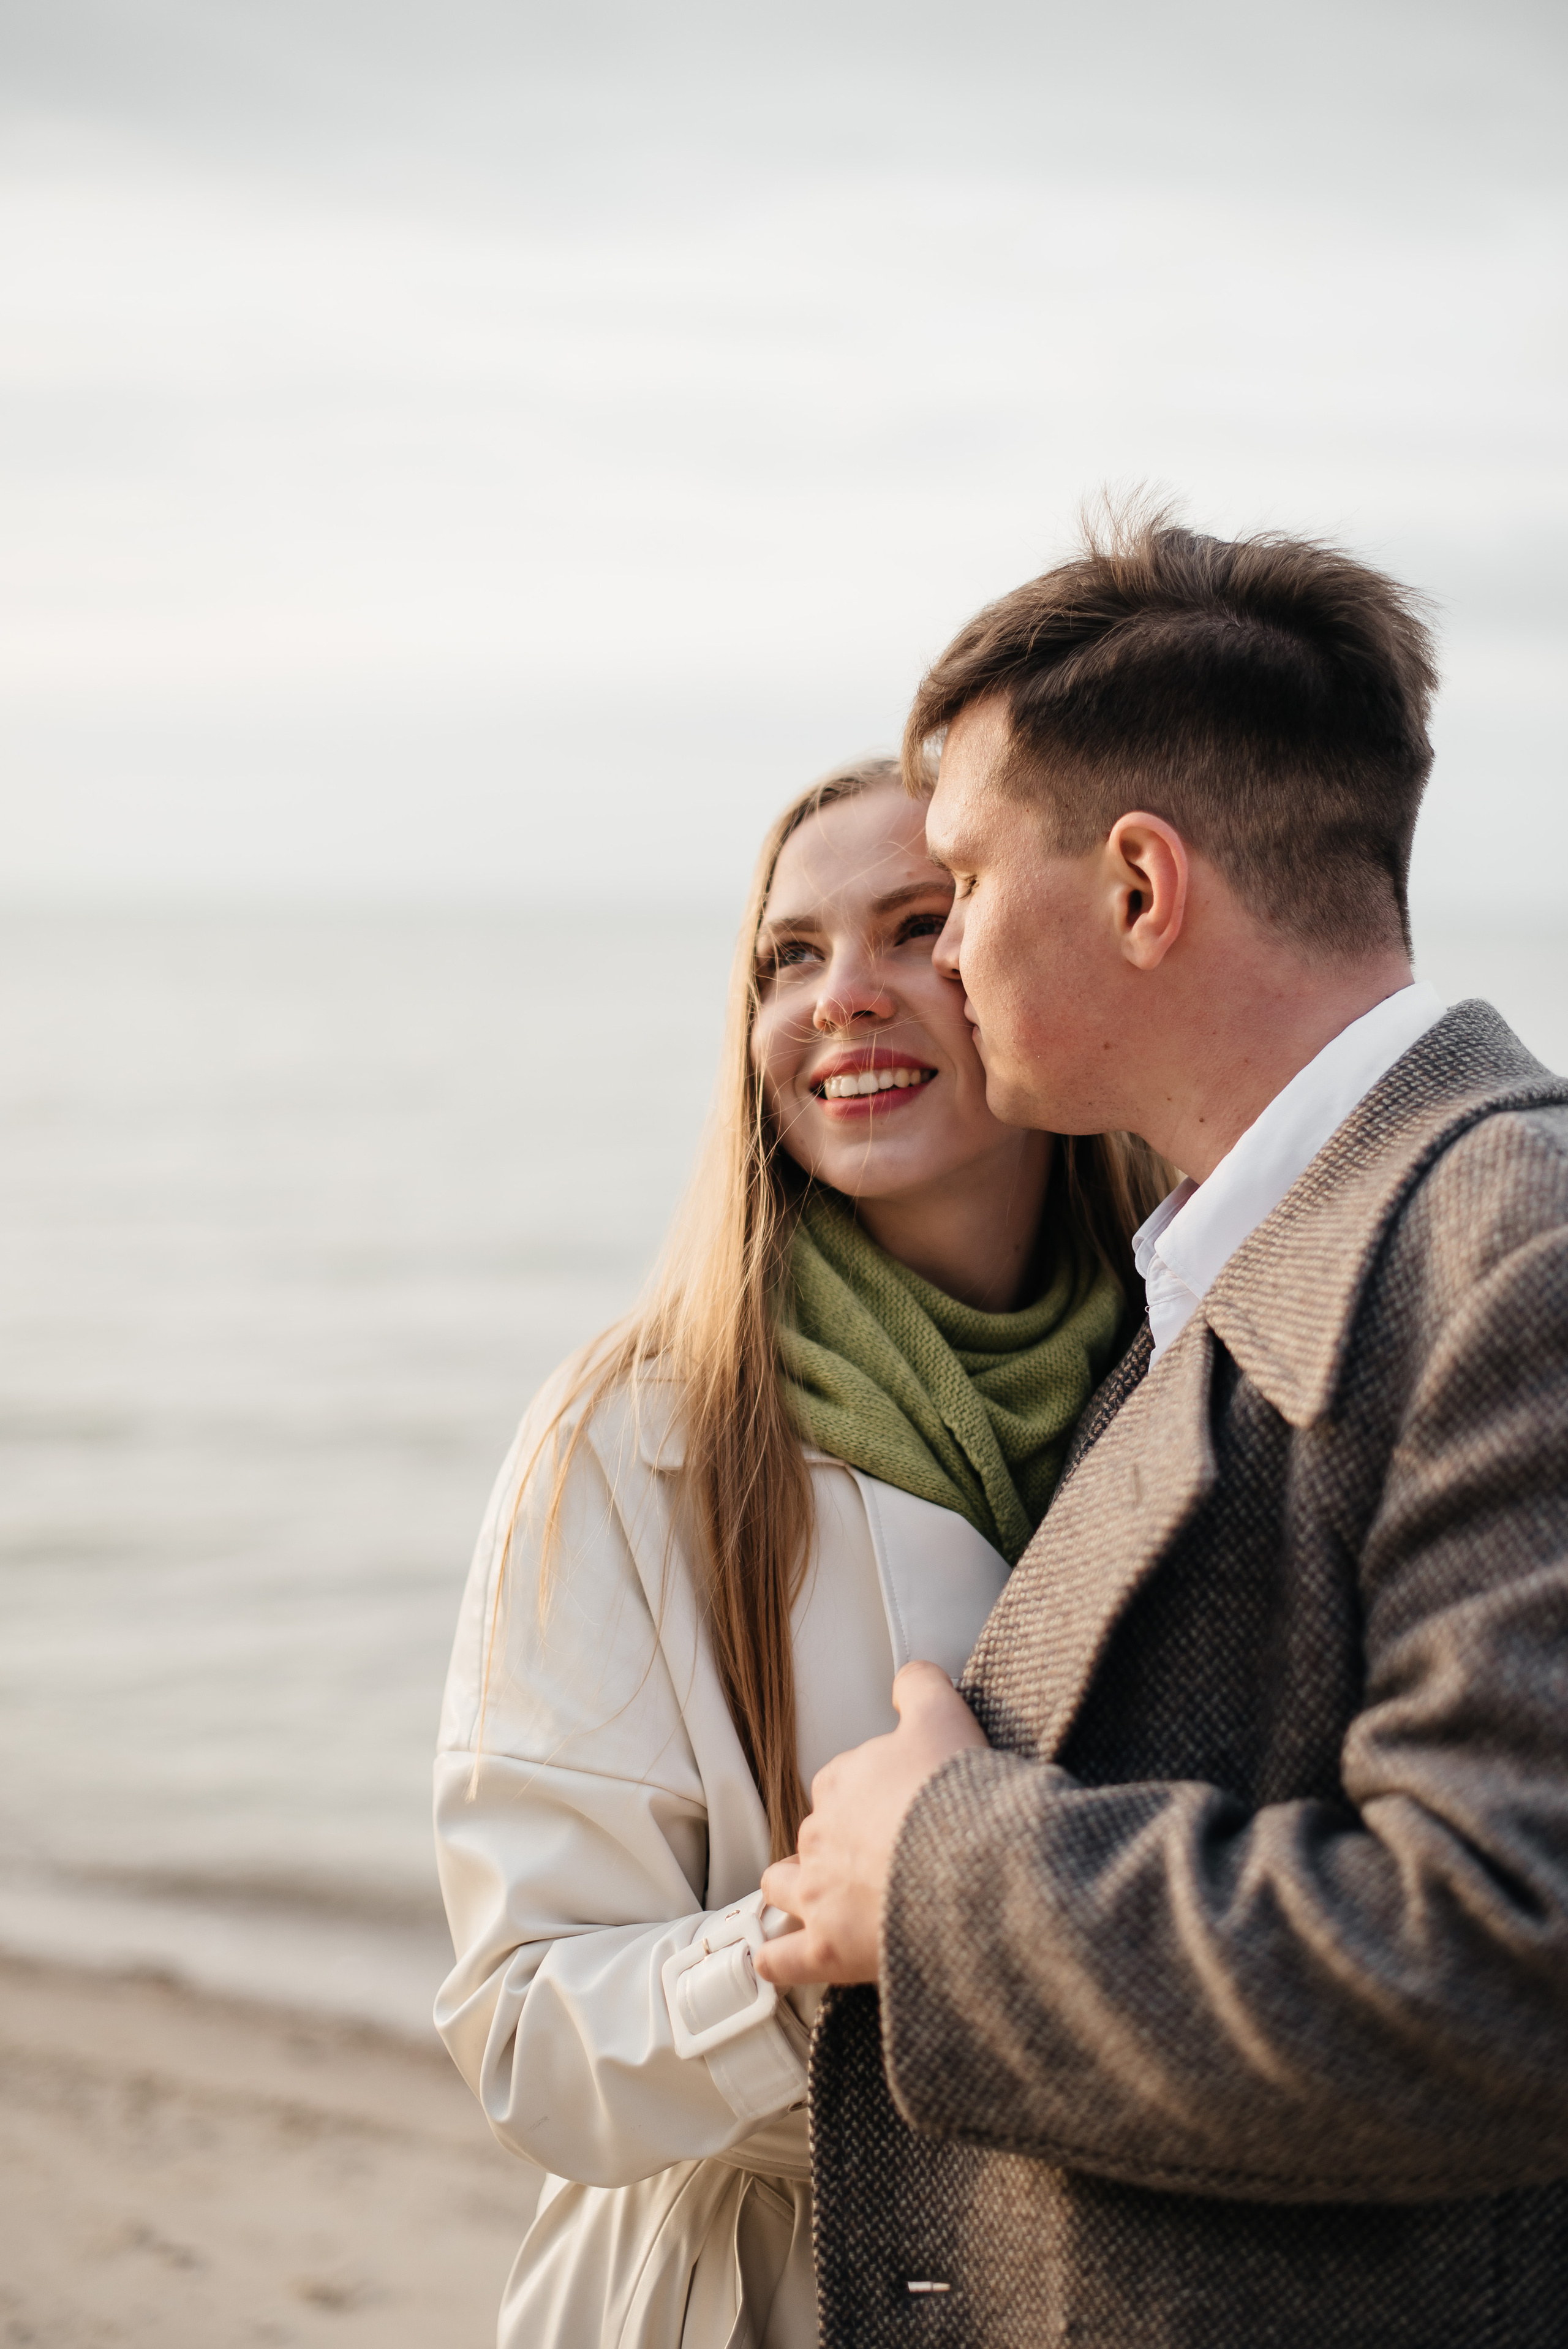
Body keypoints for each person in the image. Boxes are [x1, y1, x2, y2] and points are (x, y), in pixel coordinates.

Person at [757, 515, 1568, 2347]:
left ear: (1138, 887)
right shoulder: (1241, 1248)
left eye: (959, 882)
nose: (943, 954)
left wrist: (935, 1875)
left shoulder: (1513, 1246)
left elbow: (1499, 1964)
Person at [432, 757, 1166, 2347]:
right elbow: (522, 2035)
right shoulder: (632, 1434)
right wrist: (820, 1948)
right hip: (762, 2288)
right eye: (791, 955)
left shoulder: (1207, 1370)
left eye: (920, 924)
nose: (848, 996)